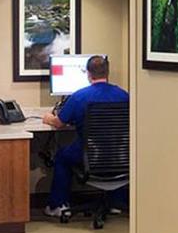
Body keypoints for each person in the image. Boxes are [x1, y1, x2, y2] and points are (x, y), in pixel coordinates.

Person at [42, 55, 129, 218]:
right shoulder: (124, 95)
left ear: (88, 74)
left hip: (89, 155)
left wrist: (48, 117)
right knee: (114, 153)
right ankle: (116, 202)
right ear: (107, 72)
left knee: (61, 156)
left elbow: (59, 123)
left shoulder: (79, 96)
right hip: (120, 155)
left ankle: (57, 205)